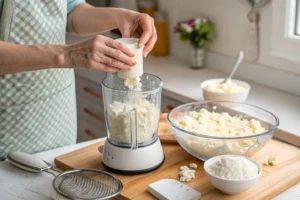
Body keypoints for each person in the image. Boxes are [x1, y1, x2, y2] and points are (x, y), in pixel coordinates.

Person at [0, 0, 157, 160]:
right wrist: (66, 55)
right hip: (9, 122)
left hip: (58, 114)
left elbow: (70, 11)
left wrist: (119, 16)